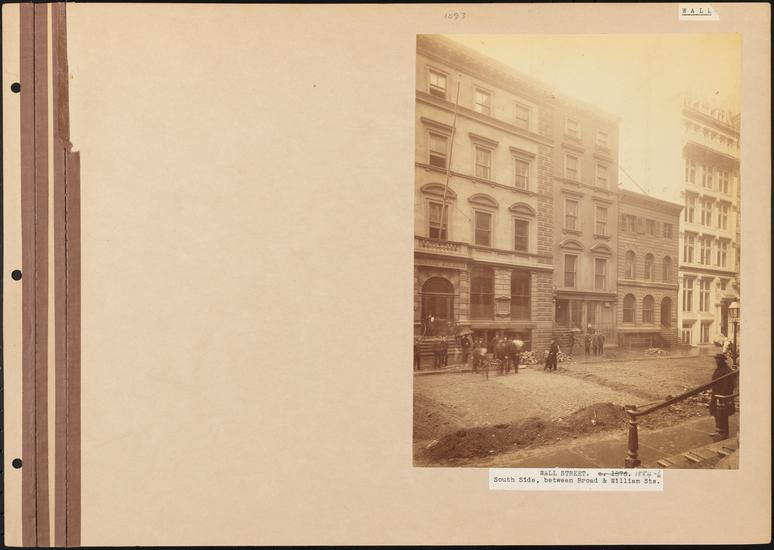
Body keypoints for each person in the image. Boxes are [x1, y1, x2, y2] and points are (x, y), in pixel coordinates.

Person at [709, 353, 736, 440]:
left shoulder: (727, 370)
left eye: (718, 359)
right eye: (716, 359)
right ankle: (718, 431)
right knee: (716, 413)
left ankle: (724, 433)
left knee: (723, 414)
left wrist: (723, 396)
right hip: (716, 394)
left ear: (722, 360)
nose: (716, 361)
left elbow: (729, 385)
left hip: (722, 396)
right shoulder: (719, 369)